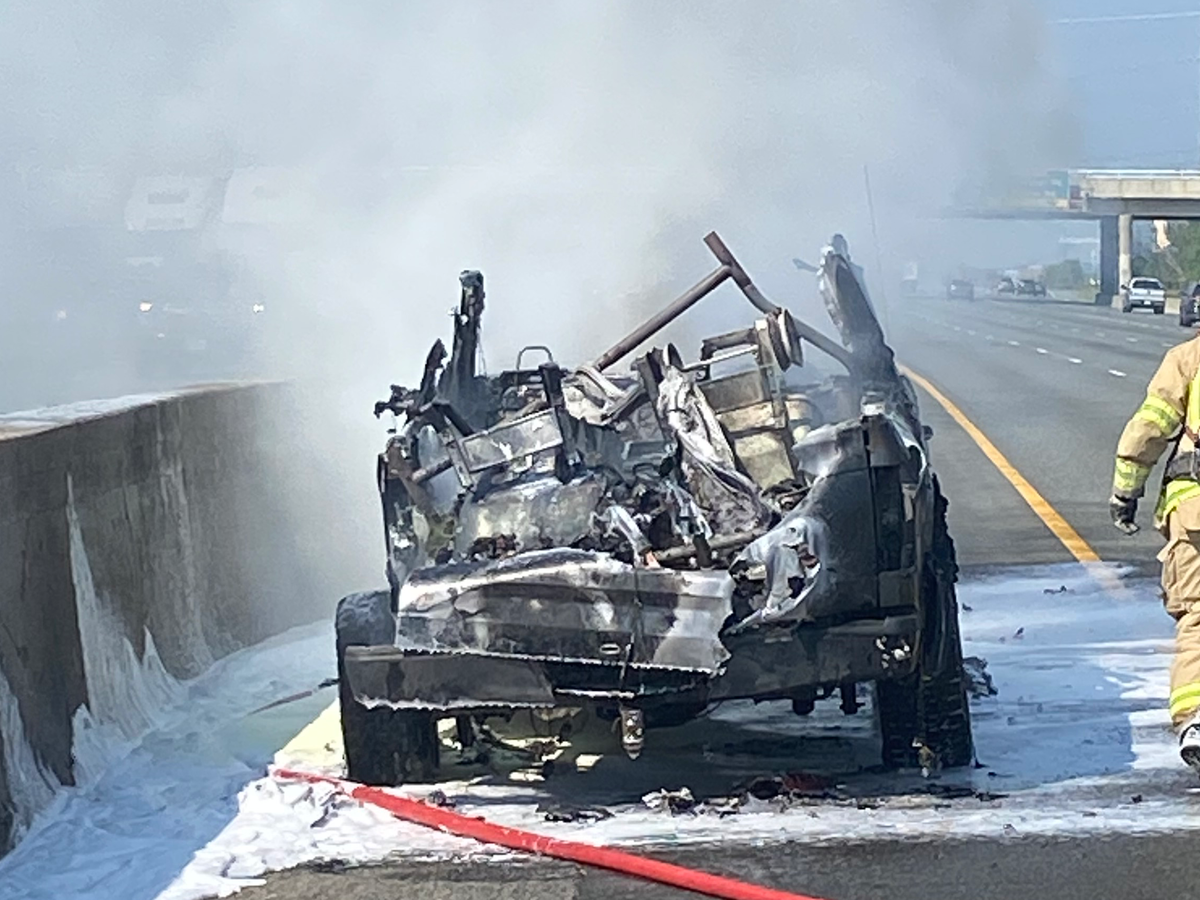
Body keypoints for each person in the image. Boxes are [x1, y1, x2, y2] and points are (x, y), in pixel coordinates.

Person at [1111, 336, 1200, 771]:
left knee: (1199, 618)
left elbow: (1149, 427)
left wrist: (1124, 492)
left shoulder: (1188, 358)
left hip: (1195, 511)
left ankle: (1197, 717)